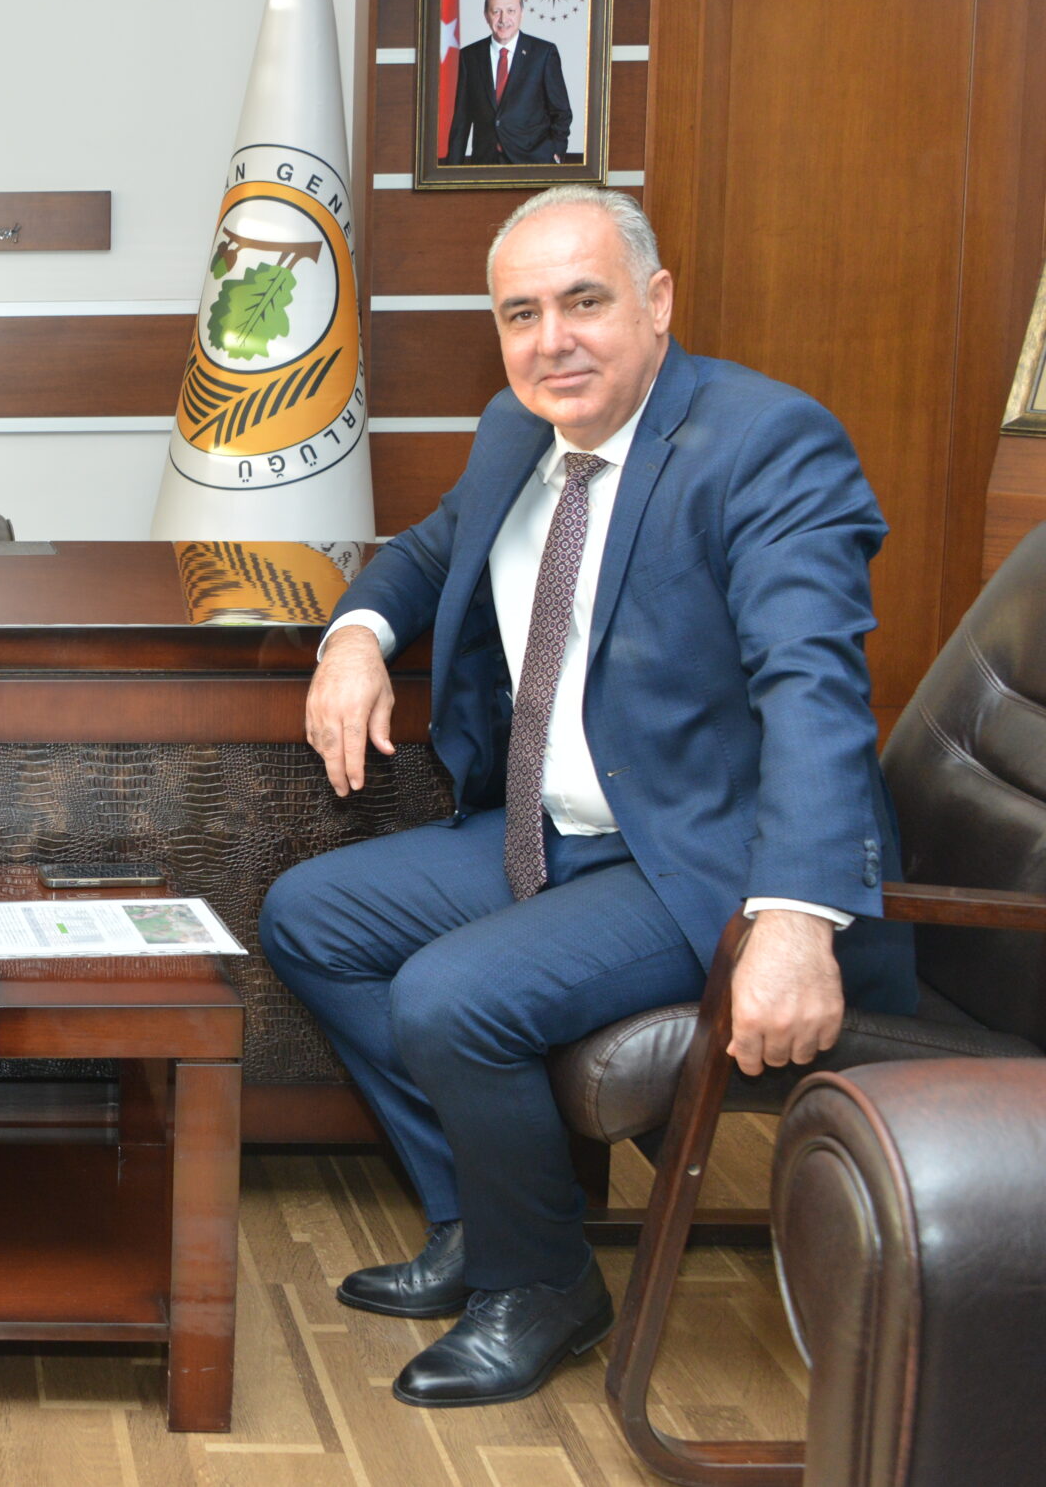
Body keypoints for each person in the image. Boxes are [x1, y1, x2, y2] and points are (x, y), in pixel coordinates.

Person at [258, 185, 914, 1408]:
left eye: (583, 302)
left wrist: (794, 915)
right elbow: (427, 549)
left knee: (450, 994)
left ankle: (541, 1284)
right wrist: (354, 636)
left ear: (655, 303)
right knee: (312, 915)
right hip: (555, 834)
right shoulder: (518, 430)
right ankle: (480, 1218)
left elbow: (813, 687)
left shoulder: (765, 442)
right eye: (521, 314)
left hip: (701, 859)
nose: (551, 339)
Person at [444, 0, 572, 165]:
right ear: (486, 16)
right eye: (496, 11)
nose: (503, 19)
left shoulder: (543, 53)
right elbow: (462, 118)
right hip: (486, 161)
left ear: (521, 13)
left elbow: (561, 111)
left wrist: (556, 152)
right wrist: (452, 168)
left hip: (533, 161)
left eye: (511, 11)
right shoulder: (469, 56)